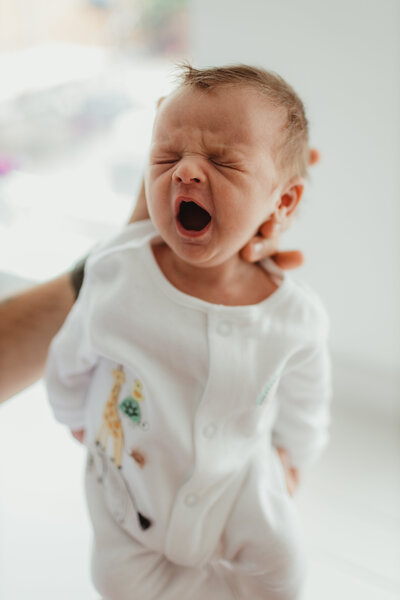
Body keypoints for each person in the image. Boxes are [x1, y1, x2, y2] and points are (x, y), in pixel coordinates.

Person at [45, 63, 330, 600]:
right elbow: (69, 352)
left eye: (223, 161)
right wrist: (71, 413)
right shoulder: (117, 272)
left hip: (241, 482)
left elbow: (307, 398)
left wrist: (295, 457)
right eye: (167, 157)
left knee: (283, 573)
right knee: (118, 580)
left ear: (282, 202)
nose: (185, 173)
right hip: (133, 478)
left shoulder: (293, 317)